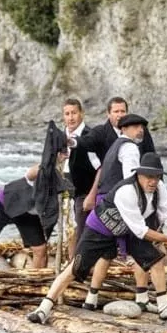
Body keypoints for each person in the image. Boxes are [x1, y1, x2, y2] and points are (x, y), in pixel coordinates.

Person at [27, 152, 167, 323]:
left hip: (127, 230)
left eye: (156, 176)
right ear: (139, 174)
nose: (153, 181)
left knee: (155, 261)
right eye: (149, 177)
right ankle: (43, 308)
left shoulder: (159, 188)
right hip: (100, 229)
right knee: (75, 267)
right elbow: (141, 230)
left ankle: (164, 306)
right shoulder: (127, 191)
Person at [0, 161, 63, 270]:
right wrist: (53, 160)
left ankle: (35, 280)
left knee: (40, 249)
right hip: (4, 203)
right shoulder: (38, 177)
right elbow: (31, 172)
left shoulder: (61, 195)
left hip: (26, 214)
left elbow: (50, 222)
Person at [62, 98, 100, 257]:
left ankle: (78, 269)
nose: (71, 118)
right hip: (64, 190)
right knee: (68, 232)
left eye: (74, 113)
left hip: (84, 192)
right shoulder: (60, 135)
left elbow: (100, 167)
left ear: (82, 114)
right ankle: (70, 264)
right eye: (67, 114)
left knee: (81, 234)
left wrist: (92, 195)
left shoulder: (89, 136)